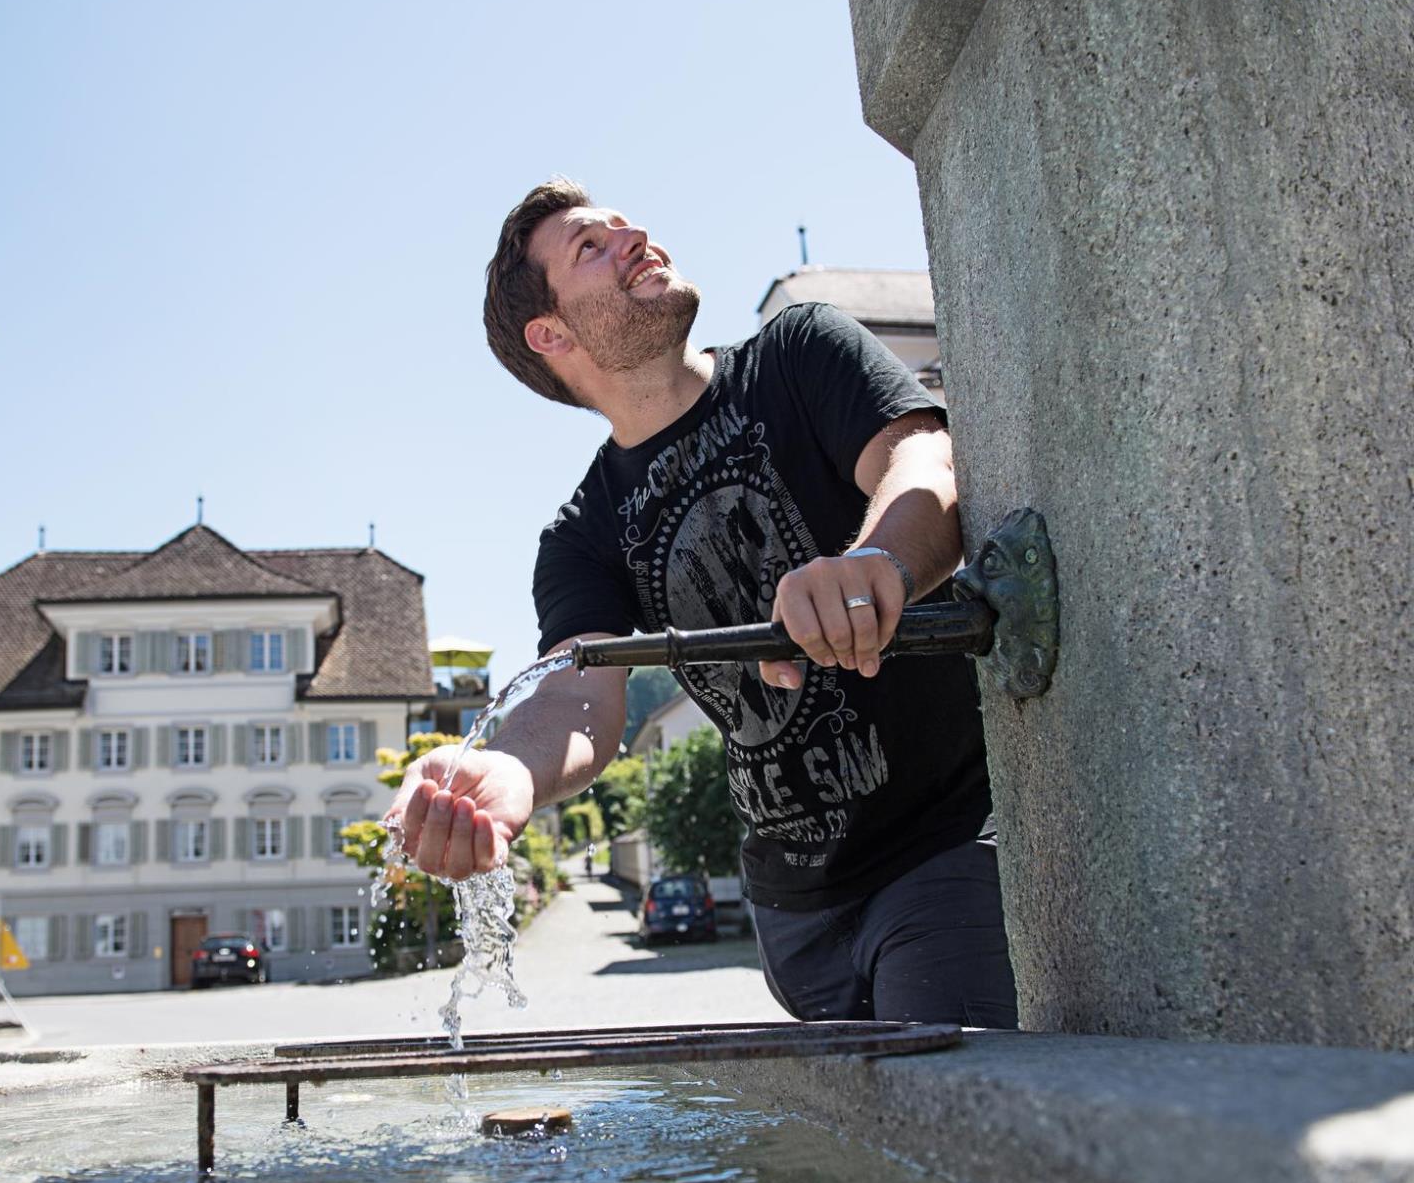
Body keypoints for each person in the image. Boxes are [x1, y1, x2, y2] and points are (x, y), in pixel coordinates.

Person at [387, 179, 1017, 1029]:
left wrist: (873, 564)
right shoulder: (580, 534)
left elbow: (925, 466)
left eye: (622, 223)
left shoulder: (799, 353)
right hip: (792, 916)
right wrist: (509, 771)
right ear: (553, 335)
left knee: (954, 1121)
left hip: (941, 846)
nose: (633, 234)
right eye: (590, 247)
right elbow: (579, 694)